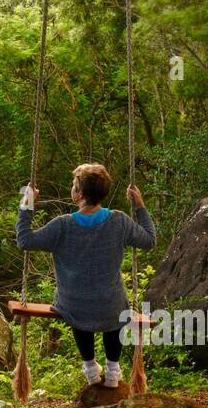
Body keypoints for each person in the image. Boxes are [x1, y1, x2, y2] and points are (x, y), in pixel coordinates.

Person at [17, 163, 156, 388]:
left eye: (74, 185)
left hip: (75, 305)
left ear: (79, 194)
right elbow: (150, 240)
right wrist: (140, 206)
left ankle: (90, 368)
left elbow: (24, 240)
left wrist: (27, 204)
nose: (72, 188)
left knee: (77, 312)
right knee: (116, 313)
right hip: (110, 305)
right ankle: (113, 370)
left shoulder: (63, 225)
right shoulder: (119, 221)